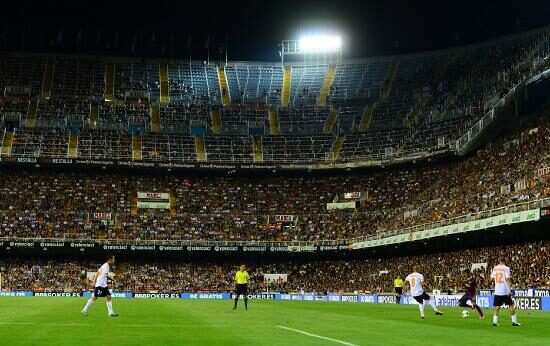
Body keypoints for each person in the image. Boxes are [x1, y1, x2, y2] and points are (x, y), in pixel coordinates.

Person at [490, 259, 520, 326]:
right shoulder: (506, 268)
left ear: (499, 261)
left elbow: (491, 278)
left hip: (497, 291)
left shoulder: (495, 268)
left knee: (497, 307)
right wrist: (509, 290)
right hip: (505, 291)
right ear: (505, 261)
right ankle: (514, 322)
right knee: (511, 305)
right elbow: (508, 279)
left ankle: (495, 322)